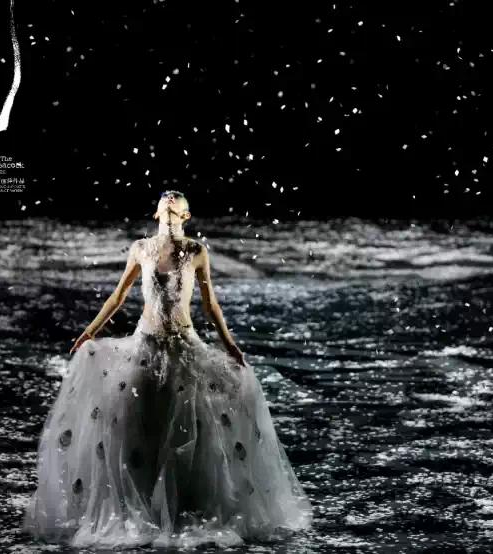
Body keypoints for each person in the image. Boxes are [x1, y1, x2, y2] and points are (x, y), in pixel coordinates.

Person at [23, 190, 313, 549]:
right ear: (157, 212)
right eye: (165, 199)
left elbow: (210, 304)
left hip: (184, 345)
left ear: (186, 215)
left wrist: (229, 345)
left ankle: (183, 507)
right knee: (140, 423)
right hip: (145, 345)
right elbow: (118, 296)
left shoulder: (196, 251)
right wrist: (89, 332)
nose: (170, 199)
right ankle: (142, 506)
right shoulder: (140, 249)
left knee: (191, 426)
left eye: (177, 200)